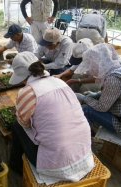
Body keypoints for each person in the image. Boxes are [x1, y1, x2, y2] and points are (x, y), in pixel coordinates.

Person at [9, 51, 94, 183]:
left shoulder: (27, 92)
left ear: (22, 77)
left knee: (16, 125)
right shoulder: (60, 82)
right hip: (83, 154)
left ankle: (16, 165)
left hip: (57, 163)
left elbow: (24, 123)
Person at [75, 43, 121, 138]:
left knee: (87, 109)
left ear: (97, 63)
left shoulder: (113, 79)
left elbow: (102, 107)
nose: (90, 71)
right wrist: (97, 94)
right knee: (93, 103)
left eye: (91, 67)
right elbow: (118, 93)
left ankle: (84, 139)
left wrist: (84, 98)